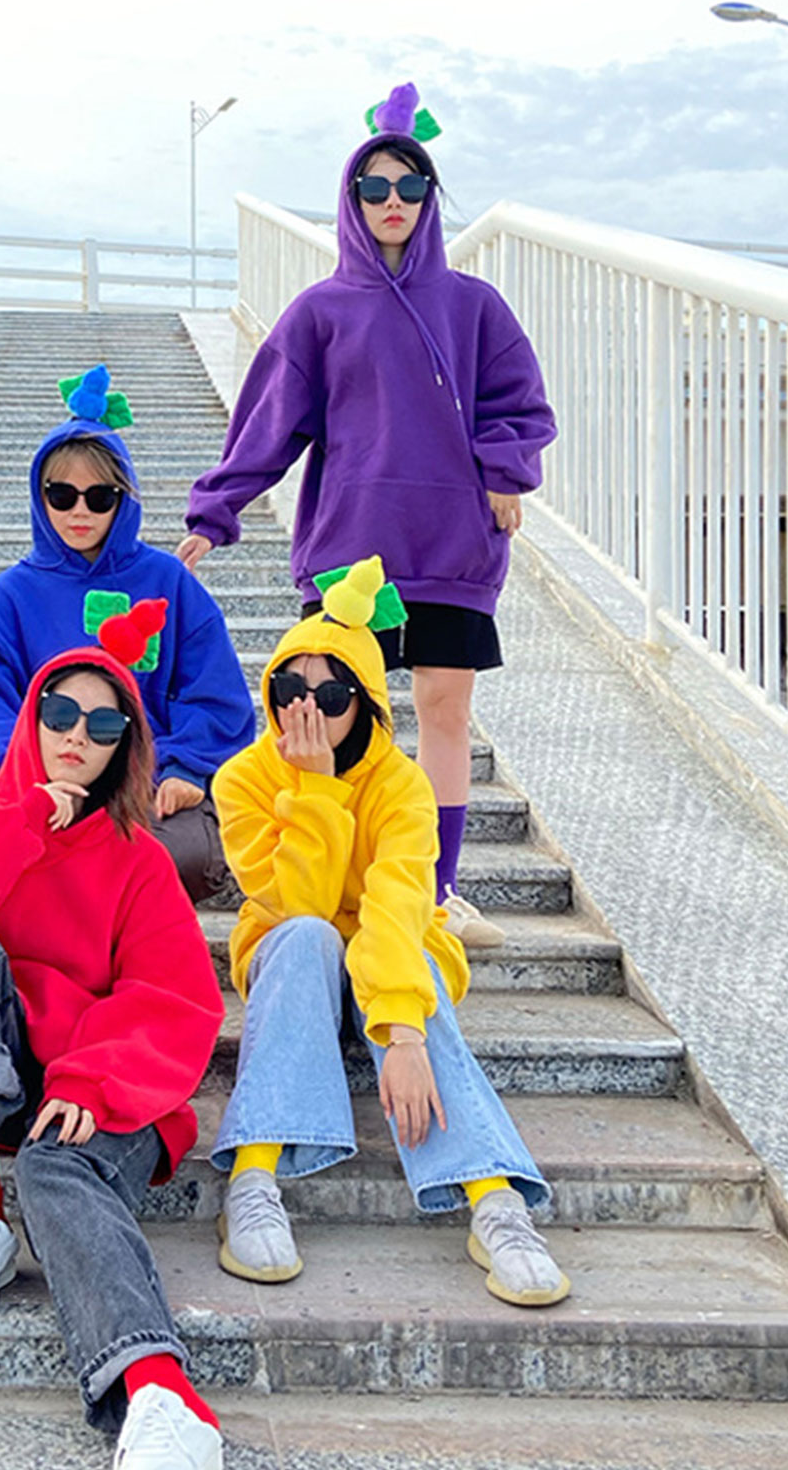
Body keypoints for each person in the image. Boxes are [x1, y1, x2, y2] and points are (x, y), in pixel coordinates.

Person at [179, 84, 557, 947]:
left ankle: (434, 894)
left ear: (429, 199)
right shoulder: (320, 312)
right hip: (351, 558)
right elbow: (270, 423)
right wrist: (216, 510)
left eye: (410, 186)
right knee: (337, 718)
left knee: (444, 712)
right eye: (375, 187)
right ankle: (339, 889)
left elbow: (520, 404)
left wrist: (506, 471)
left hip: (455, 548)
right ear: (351, 199)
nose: (393, 201)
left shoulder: (474, 306)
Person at [0, 607, 228, 1470]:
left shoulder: (139, 858)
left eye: (103, 725)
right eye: (60, 713)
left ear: (123, 747)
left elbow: (173, 997)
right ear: (31, 719)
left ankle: (164, 1397)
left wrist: (89, 1082)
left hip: (108, 1089)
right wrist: (19, 820)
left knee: (53, 1168)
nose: (77, 735)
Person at [208, 556, 570, 1308]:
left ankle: (494, 1199)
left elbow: (398, 906)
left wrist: (402, 1036)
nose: (306, 709)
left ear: (366, 704)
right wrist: (313, 789)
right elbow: (295, 903)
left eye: (331, 694)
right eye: (289, 689)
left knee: (415, 969)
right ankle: (253, 1177)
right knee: (307, 936)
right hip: (292, 954)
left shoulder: (402, 785)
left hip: (388, 952)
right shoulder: (244, 778)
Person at [0, 365, 253, 904]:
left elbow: (215, 693)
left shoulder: (169, 582)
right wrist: (19, 766)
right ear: (40, 495)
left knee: (180, 852)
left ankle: (77, 894)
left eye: (100, 496)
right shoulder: (12, 593)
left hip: (145, 783)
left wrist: (185, 767)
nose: (80, 511)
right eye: (62, 494)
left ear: (124, 498)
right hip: (47, 774)